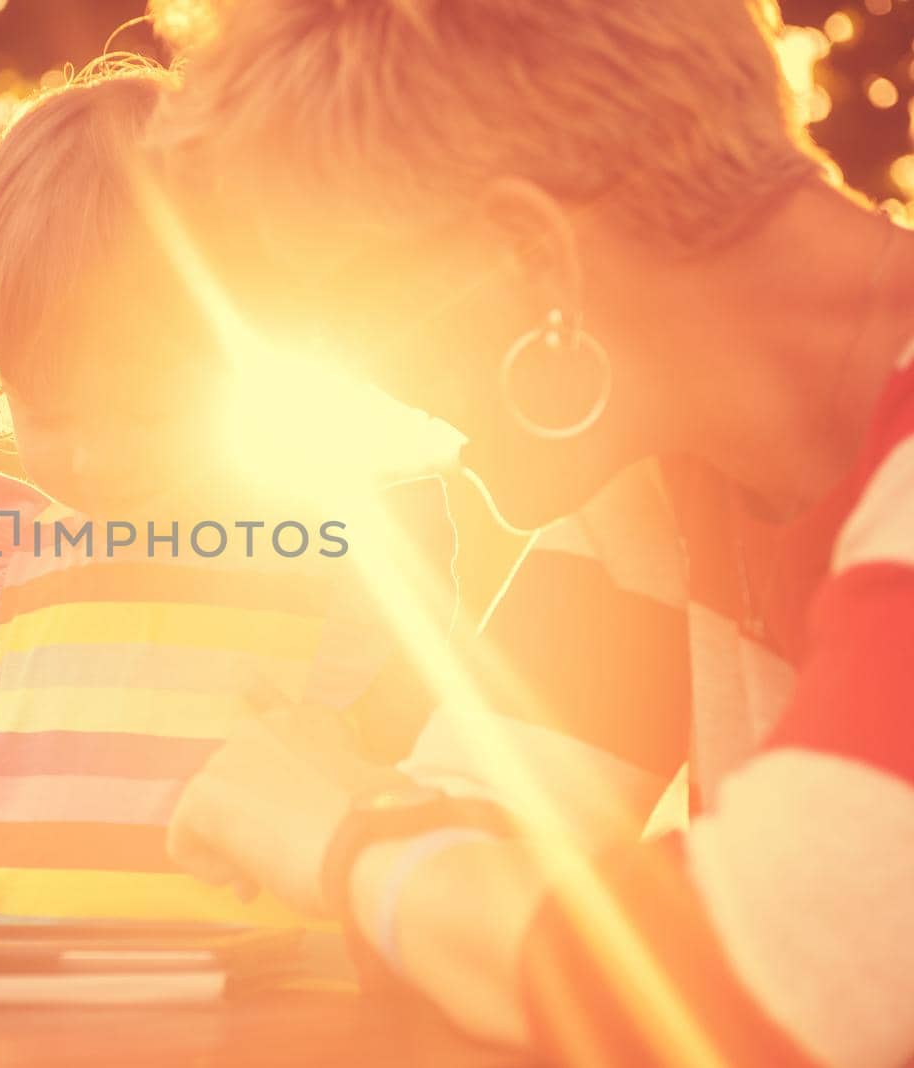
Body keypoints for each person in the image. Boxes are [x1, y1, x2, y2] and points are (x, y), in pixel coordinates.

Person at [153, 1, 914, 1065]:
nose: (378, 399)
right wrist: (408, 862)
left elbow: (748, 988)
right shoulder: (658, 473)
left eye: (349, 321)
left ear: (531, 258)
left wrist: (348, 842)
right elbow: (469, 858)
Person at [0, 60, 452, 931]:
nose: (95, 452)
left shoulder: (326, 558)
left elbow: (418, 796)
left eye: (143, 408)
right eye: (49, 409)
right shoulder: (21, 563)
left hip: (246, 1027)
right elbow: (26, 801)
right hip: (31, 1026)